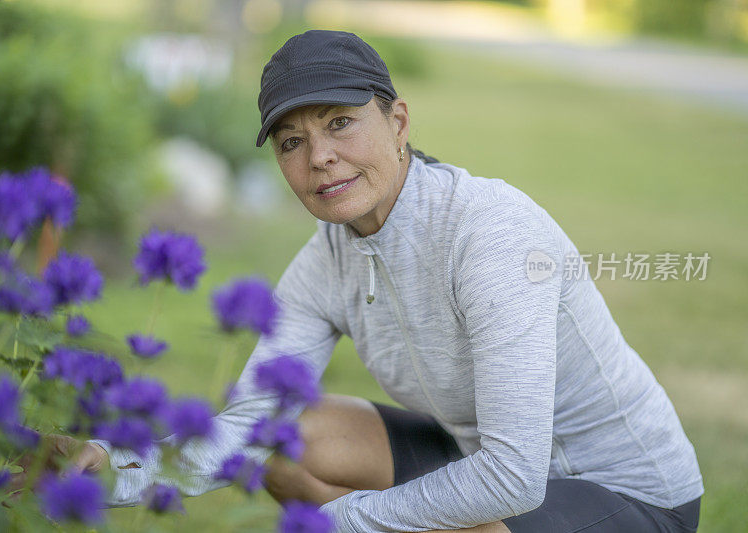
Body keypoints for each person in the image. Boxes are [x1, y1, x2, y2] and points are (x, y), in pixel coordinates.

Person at [48, 30, 704, 532]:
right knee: (284, 440)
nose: (320, 157)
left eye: (339, 122)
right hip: (474, 453)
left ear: (397, 123)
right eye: (291, 142)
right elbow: (252, 419)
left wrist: (349, 519)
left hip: (628, 492)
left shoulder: (491, 232)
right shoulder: (325, 259)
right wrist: (115, 465)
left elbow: (514, 476)